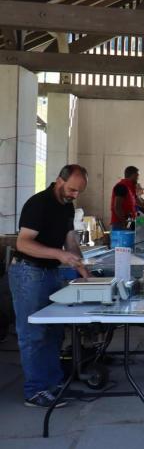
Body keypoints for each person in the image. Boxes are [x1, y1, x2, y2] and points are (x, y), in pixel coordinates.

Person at [9, 164, 89, 408]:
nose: (74, 195)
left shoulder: (67, 205)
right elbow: (23, 243)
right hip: (28, 272)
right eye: (72, 190)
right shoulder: (38, 203)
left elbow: (70, 239)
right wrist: (58, 254)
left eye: (79, 192)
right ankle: (35, 391)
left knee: (54, 331)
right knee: (33, 334)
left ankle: (52, 385)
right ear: (58, 180)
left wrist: (79, 264)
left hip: (50, 272)